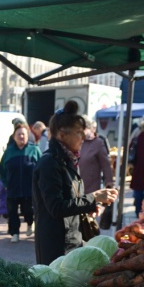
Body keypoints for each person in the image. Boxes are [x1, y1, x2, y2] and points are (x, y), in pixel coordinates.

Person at [32, 104, 118, 265]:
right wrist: (93, 198)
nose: (83, 137)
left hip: (72, 240)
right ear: (62, 135)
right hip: (55, 244)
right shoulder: (49, 163)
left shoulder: (69, 160)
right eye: (79, 132)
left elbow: (71, 200)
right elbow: (56, 207)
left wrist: (90, 207)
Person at [0, 122, 40, 242]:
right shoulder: (9, 151)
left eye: (23, 134)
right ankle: (15, 233)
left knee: (28, 210)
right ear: (14, 136)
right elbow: (2, 168)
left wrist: (38, 184)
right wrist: (5, 183)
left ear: (27, 136)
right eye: (19, 134)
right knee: (12, 212)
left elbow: (42, 168)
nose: (21, 137)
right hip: (13, 188)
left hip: (29, 188)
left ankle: (29, 223)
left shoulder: (34, 149)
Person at [79, 123, 116, 231]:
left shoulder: (98, 143)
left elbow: (105, 164)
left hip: (91, 185)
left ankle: (90, 235)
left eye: (84, 128)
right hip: (76, 185)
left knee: (90, 217)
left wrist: (109, 181)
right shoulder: (76, 142)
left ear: (90, 129)